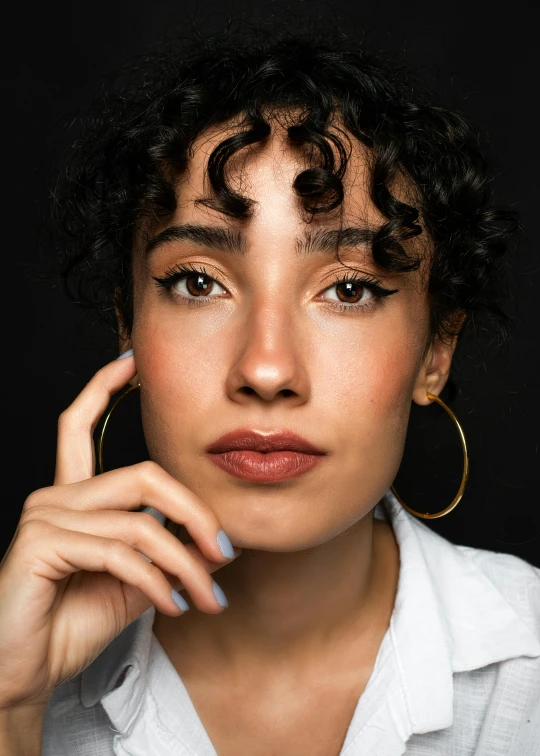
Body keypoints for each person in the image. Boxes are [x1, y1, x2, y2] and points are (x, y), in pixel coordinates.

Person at [1, 24, 539, 756]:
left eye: (349, 288)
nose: (266, 369)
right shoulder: (22, 674)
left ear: (434, 352)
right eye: (198, 283)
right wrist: (10, 706)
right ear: (129, 329)